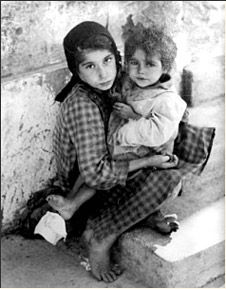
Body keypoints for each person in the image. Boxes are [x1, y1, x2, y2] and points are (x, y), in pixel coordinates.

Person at [43, 21, 215, 283]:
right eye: (90, 66)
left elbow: (161, 114)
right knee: (166, 177)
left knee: (180, 142)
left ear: (116, 56)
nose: (103, 73)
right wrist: (148, 157)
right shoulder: (82, 105)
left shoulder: (122, 78)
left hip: (112, 156)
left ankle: (143, 213)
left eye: (108, 60)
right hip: (92, 179)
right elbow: (98, 174)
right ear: (76, 70)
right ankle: (100, 238)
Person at [107, 25, 187, 161]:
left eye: (150, 64)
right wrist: (119, 97)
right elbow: (132, 97)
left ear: (165, 67)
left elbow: (157, 133)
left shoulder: (167, 100)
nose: (141, 70)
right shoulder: (135, 83)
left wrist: (132, 117)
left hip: (150, 154)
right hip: (128, 149)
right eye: (134, 62)